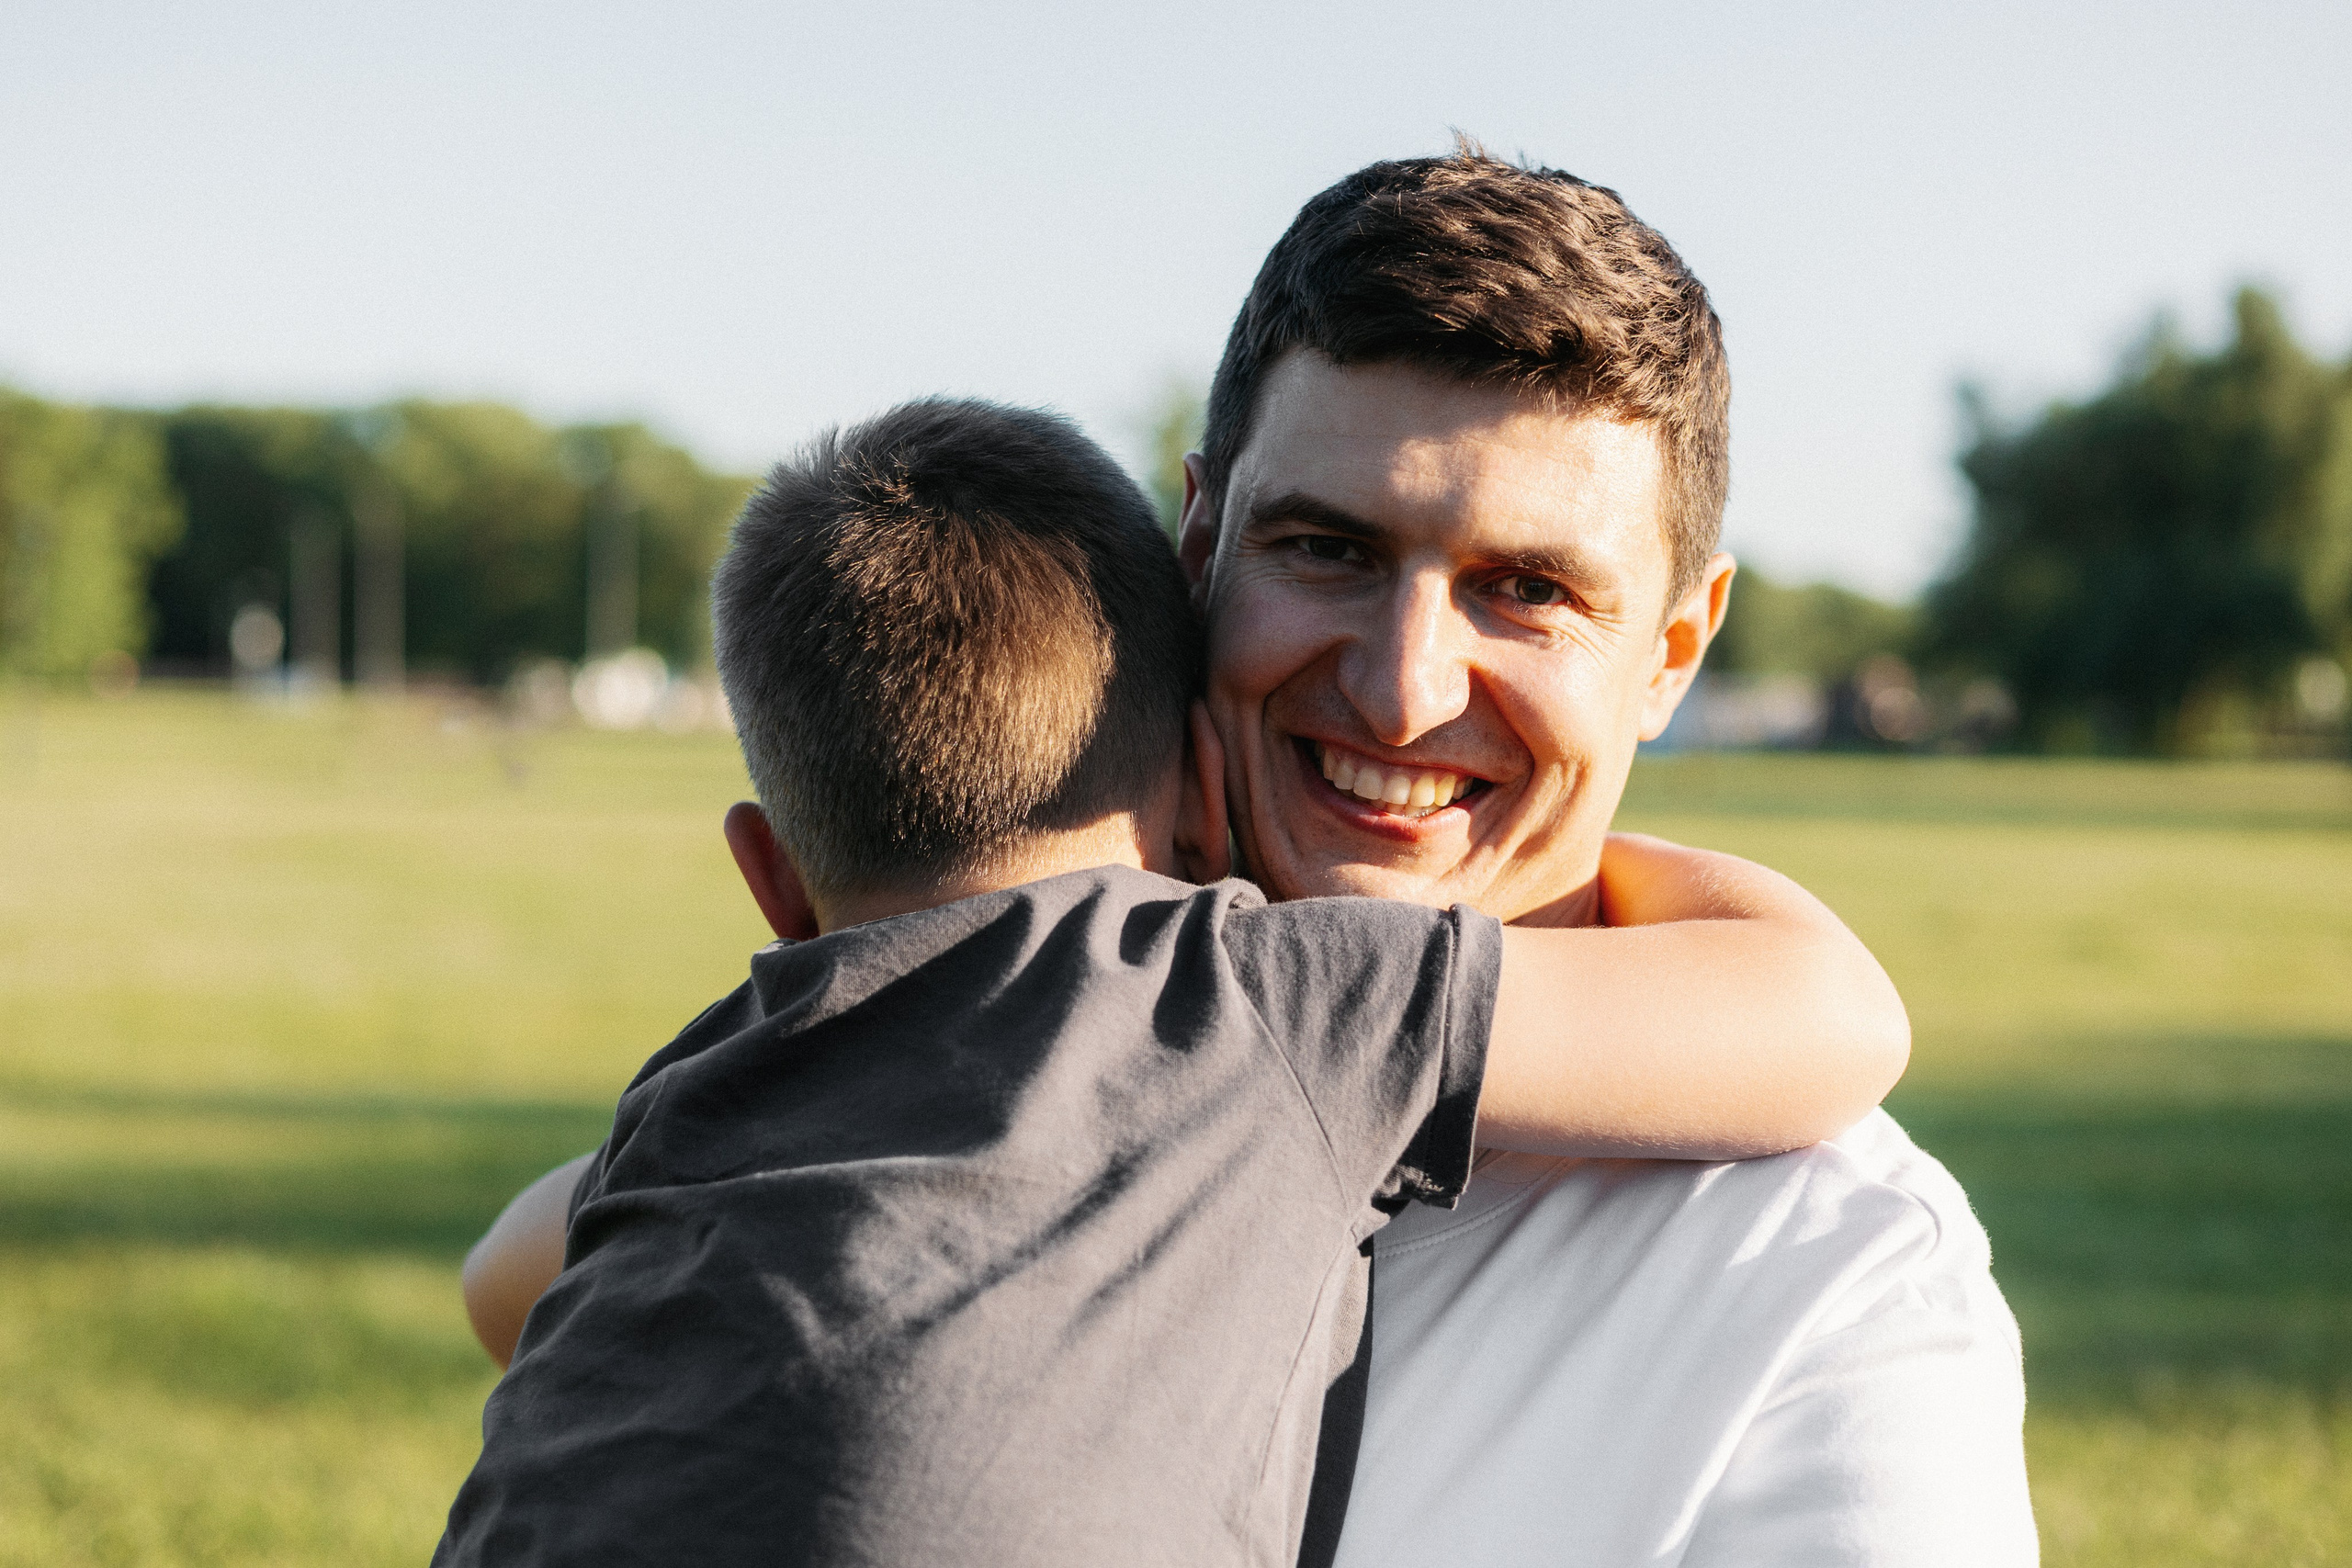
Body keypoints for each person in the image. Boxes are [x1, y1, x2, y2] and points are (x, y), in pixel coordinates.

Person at [439, 396, 1908, 1566]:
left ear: (770, 879)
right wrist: (1498, 811)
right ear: (1202, 792)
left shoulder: (712, 1082)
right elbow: (1832, 1013)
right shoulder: (1252, 997)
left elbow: (507, 1276)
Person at [1170, 145, 2040, 1565]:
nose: (1402, 691)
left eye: (1528, 590)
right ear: (1199, 548)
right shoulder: (981, 1063)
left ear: (1671, 657)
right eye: (1326, 549)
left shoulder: (1823, 1278)